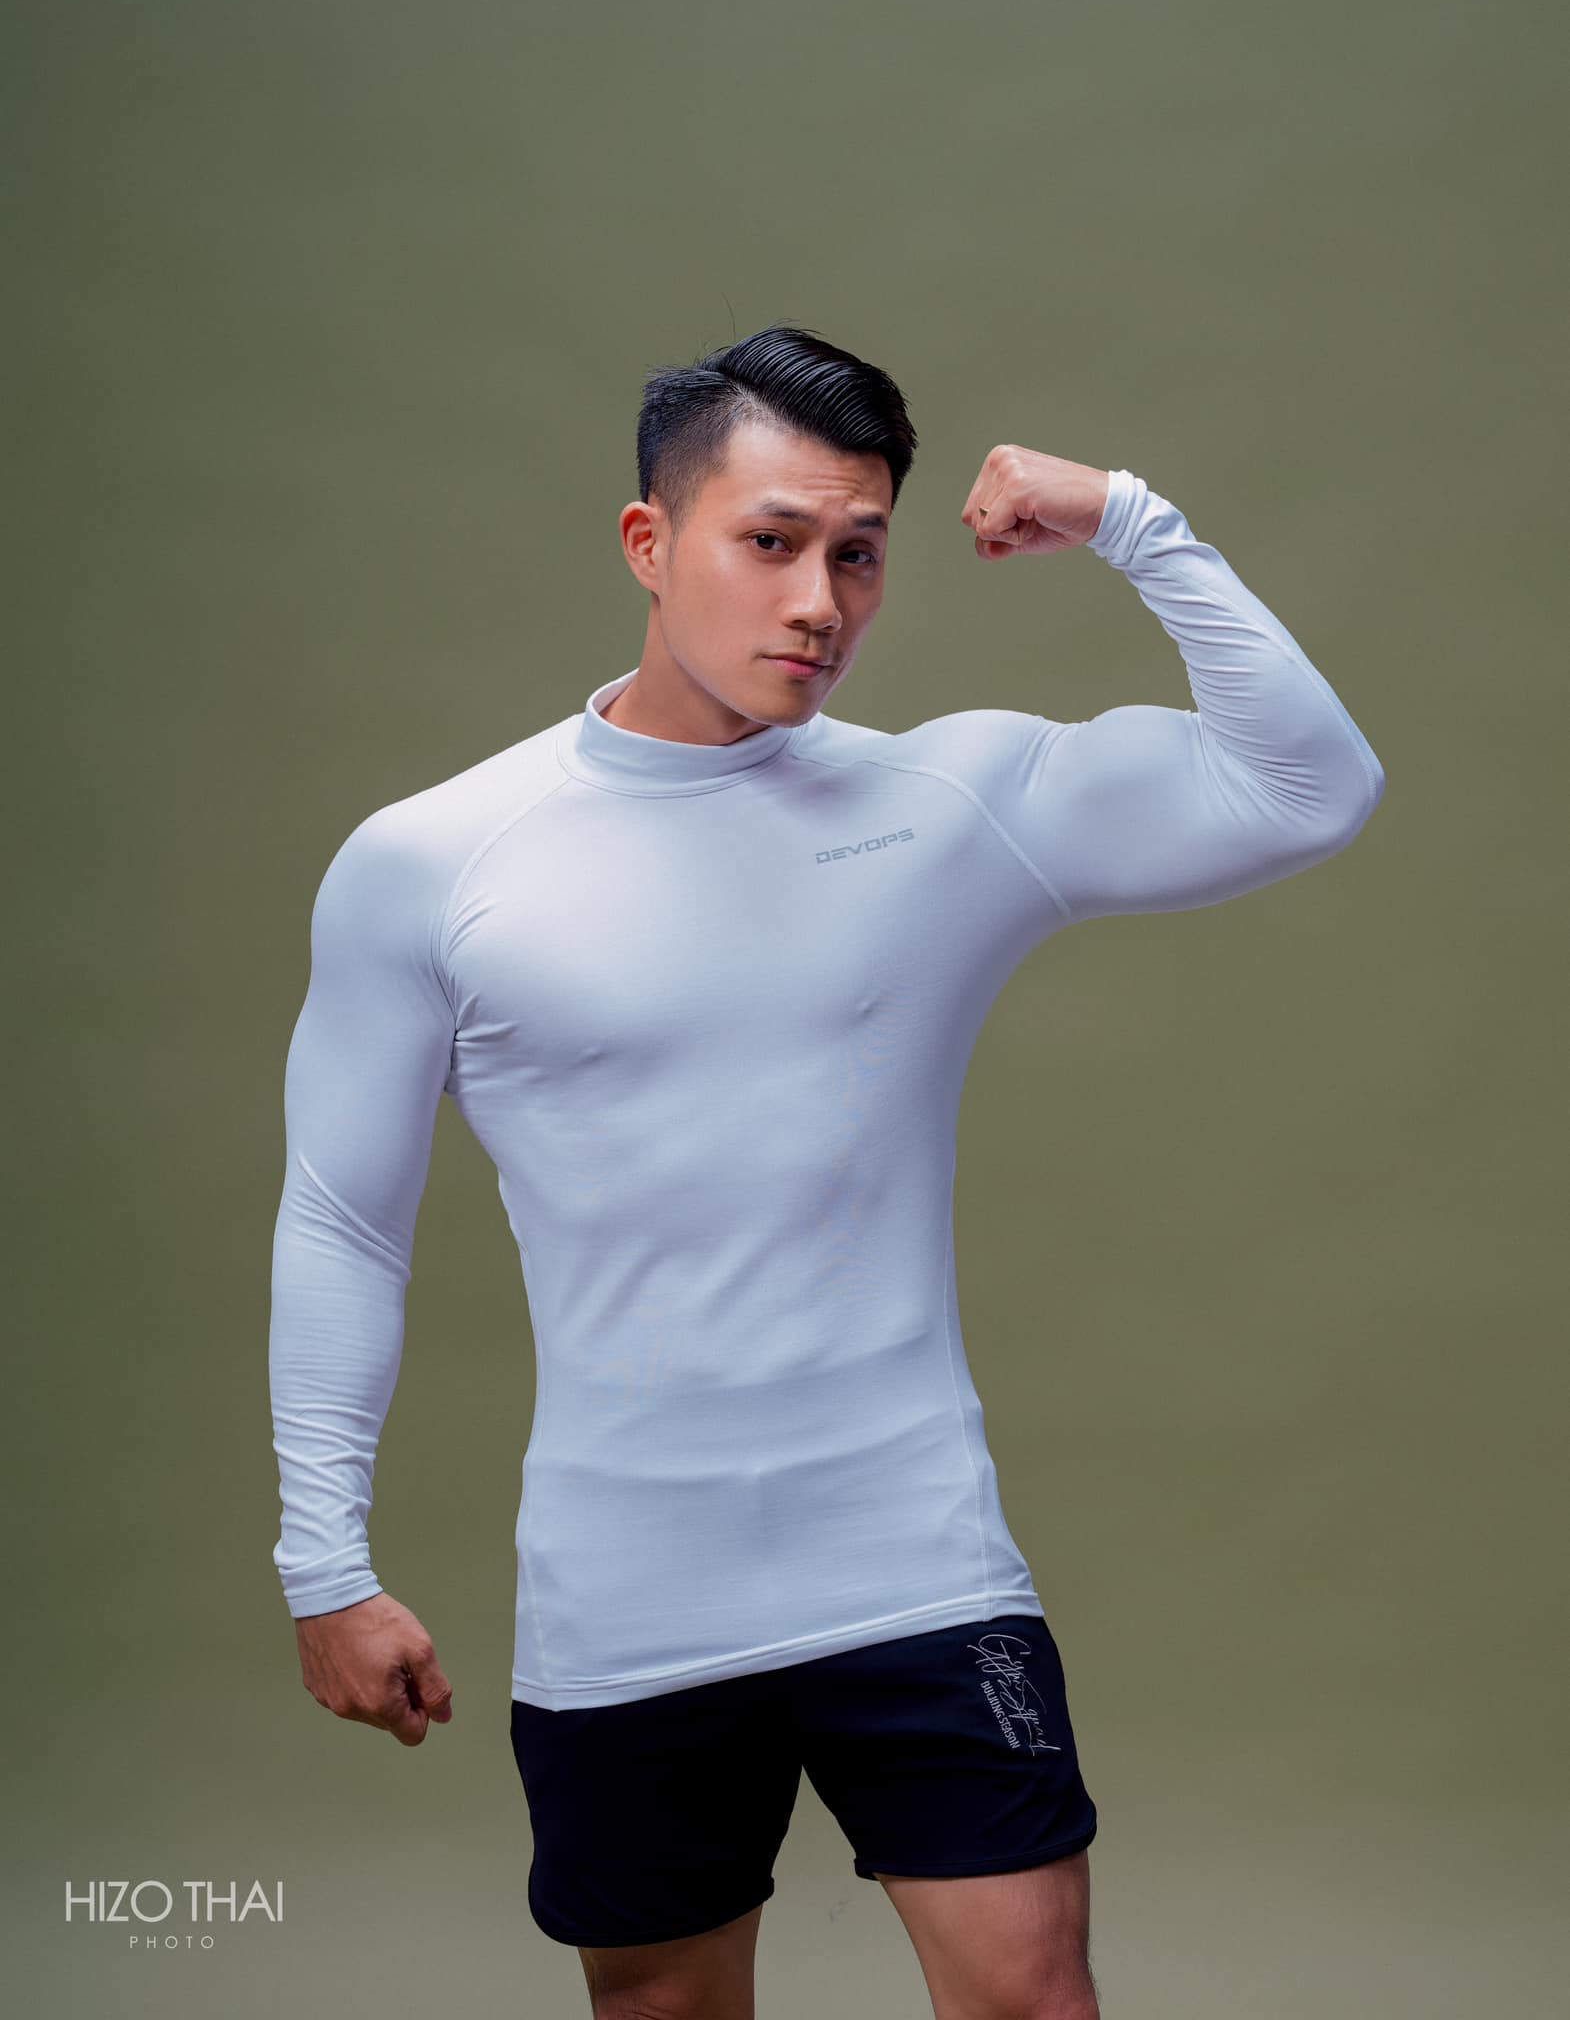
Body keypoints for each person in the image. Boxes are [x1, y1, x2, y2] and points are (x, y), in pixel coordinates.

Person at [269, 323, 1385, 2019]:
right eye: (771, 541)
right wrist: (323, 1562)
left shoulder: (947, 802)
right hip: (629, 1590)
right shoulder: (432, 862)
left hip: (914, 1562)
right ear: (649, 543)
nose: (819, 603)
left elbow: (1311, 786)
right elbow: (344, 1222)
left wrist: (1128, 520)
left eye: (858, 554)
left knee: (1032, 1995)